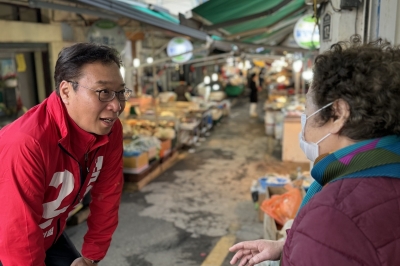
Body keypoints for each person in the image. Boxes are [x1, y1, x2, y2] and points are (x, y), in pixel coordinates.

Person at [229, 35, 400, 266]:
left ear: (338, 114)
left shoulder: (333, 216)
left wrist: (310, 240)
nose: (304, 119)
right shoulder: (387, 167)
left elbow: (334, 242)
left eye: (308, 108)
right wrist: (287, 247)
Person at [0, 43, 131, 266]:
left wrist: (91, 257)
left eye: (120, 92)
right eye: (104, 92)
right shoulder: (27, 143)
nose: (117, 105)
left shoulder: (109, 129)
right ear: (66, 91)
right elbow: (18, 240)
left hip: (48, 233)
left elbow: (108, 194)